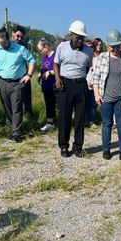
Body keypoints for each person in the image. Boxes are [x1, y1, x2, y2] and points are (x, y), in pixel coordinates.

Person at [53, 20, 93, 158]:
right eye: (77, 37)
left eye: (82, 38)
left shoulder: (89, 51)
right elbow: (56, 64)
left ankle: (78, 147)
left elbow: (88, 67)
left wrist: (82, 78)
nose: (79, 40)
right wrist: (58, 79)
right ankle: (64, 146)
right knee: (65, 116)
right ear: (71, 34)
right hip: (65, 84)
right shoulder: (62, 47)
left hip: (81, 85)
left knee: (80, 118)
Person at [93, 29, 121, 160]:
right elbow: (96, 77)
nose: (115, 49)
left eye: (117, 46)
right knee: (106, 124)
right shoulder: (102, 57)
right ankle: (106, 149)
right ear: (108, 46)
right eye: (112, 46)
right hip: (106, 97)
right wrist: (96, 94)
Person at [0, 27, 36, 142]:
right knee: (7, 107)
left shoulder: (20, 49)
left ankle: (16, 133)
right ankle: (13, 127)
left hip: (17, 83)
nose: (2, 45)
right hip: (3, 82)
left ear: (8, 39)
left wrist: (29, 75)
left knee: (17, 107)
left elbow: (31, 60)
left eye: (4, 42)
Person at [12, 25, 33, 116]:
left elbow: (30, 60)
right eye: (17, 36)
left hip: (24, 75)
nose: (19, 38)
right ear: (13, 33)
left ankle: (29, 115)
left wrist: (28, 74)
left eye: (21, 37)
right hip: (11, 77)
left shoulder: (24, 45)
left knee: (27, 97)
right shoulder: (7, 44)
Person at [37, 39, 56, 131]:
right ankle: (50, 123)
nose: (40, 52)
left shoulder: (55, 56)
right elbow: (42, 68)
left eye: (41, 50)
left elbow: (60, 70)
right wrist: (40, 75)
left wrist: (50, 72)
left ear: (46, 47)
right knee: (49, 104)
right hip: (46, 86)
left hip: (55, 85)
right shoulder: (44, 57)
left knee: (58, 104)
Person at [86, 38, 103, 126]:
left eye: (100, 45)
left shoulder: (102, 56)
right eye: (97, 44)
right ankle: (88, 120)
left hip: (99, 83)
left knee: (94, 103)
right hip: (88, 80)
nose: (99, 46)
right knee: (88, 102)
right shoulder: (90, 56)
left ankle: (92, 120)